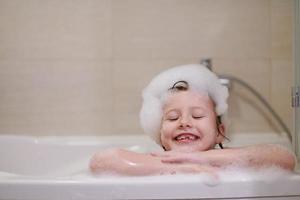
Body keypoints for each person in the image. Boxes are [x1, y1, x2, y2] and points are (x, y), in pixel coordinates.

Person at [89, 64, 296, 176]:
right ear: (159, 134)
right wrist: (177, 167)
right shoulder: (154, 161)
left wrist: (205, 159)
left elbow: (284, 159)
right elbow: (102, 161)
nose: (184, 122)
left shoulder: (225, 159)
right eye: (172, 117)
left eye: (197, 115)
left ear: (219, 132)